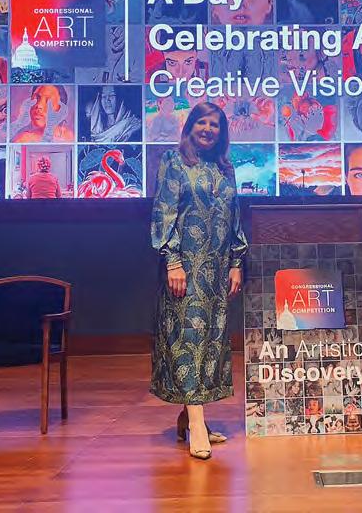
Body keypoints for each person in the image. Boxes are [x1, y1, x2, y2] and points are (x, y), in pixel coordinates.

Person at [150, 101, 248, 460]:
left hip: (218, 269)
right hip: (186, 268)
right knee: (187, 339)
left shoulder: (225, 168)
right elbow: (164, 212)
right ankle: (196, 424)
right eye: (202, 122)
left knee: (209, 342)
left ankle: (188, 418)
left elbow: (235, 217)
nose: (208, 129)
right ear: (190, 126)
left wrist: (236, 262)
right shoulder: (174, 162)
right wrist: (172, 261)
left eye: (215, 125)